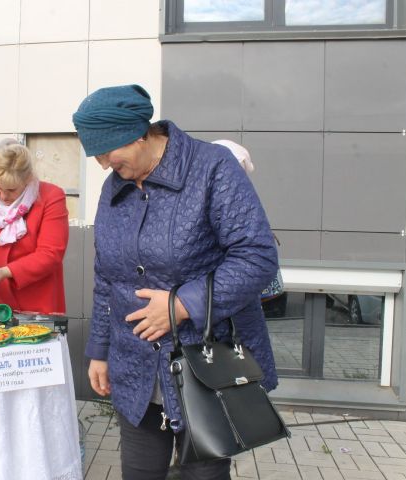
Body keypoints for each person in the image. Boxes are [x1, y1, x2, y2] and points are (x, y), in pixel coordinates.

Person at [72, 84, 279, 480]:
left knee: (203, 473)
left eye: (106, 152)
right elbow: (106, 276)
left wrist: (181, 306)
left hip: (203, 364)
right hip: (135, 366)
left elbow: (257, 256)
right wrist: (99, 349)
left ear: (138, 134)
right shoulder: (115, 186)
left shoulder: (212, 168)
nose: (101, 165)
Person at [0, 139, 69, 314]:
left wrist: (5, 271)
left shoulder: (51, 197)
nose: (2, 196)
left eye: (11, 190)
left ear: (28, 180)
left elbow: (50, 254)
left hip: (39, 305)